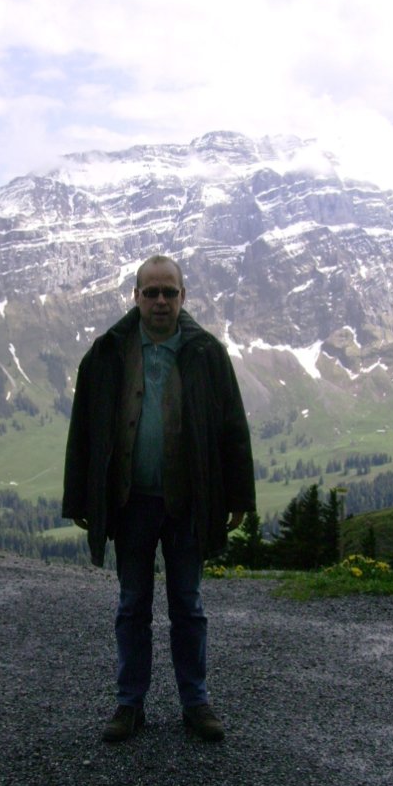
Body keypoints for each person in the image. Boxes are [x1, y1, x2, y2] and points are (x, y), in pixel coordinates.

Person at [62, 254, 255, 742]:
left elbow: (232, 427)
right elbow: (83, 431)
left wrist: (238, 497)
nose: (161, 301)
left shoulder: (207, 353)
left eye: (170, 292)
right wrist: (80, 498)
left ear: (183, 296)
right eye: (152, 292)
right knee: (133, 605)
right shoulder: (107, 352)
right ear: (136, 296)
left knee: (187, 605)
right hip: (130, 503)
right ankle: (129, 705)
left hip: (188, 502)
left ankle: (196, 702)